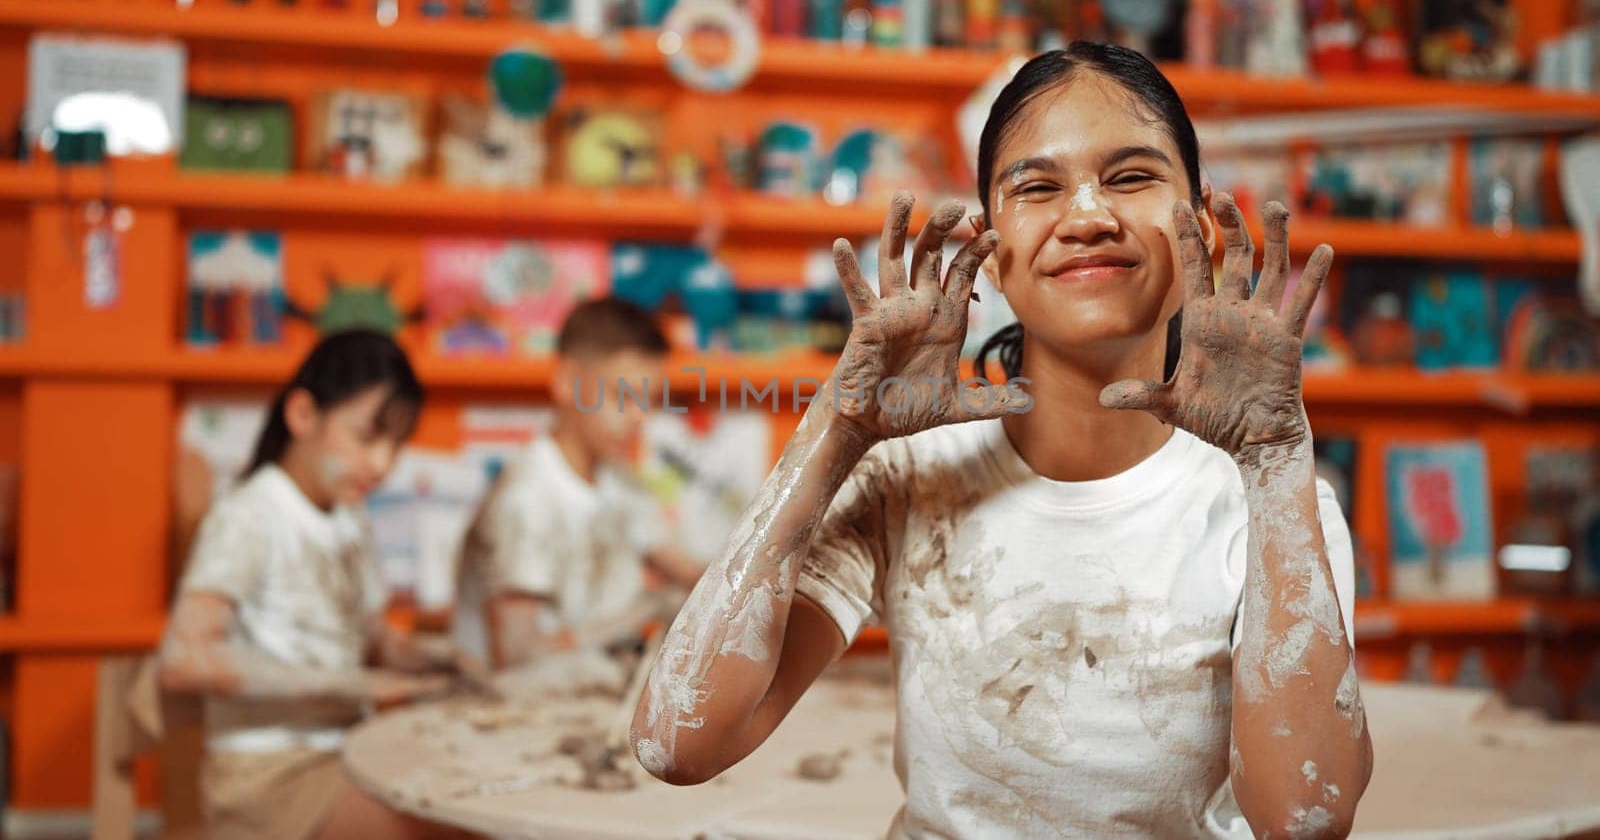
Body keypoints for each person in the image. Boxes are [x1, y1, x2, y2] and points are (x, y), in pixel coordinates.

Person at [631, 42, 1373, 838]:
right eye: (1038, 187)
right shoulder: (912, 477)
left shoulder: (1272, 501)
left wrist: (1273, 459)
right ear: (990, 250)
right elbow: (677, 741)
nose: (1087, 217)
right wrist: (837, 427)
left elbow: (1304, 819)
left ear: (1202, 227)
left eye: (1130, 177)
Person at [158, 330, 460, 840]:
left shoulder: (349, 518)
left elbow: (375, 642)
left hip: (348, 750)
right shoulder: (250, 514)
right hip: (266, 775)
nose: (384, 464)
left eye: (397, 444)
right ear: (302, 415)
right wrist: (341, 683)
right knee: (445, 823)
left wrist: (446, 657)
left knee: (473, 789)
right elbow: (183, 658)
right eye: (367, 437)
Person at [453, 297, 702, 670]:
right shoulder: (525, 500)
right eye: (623, 397)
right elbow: (516, 658)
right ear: (567, 382)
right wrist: (640, 614)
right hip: (512, 712)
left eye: (648, 401)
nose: (639, 419)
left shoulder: (620, 481)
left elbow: (689, 570)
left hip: (591, 698)